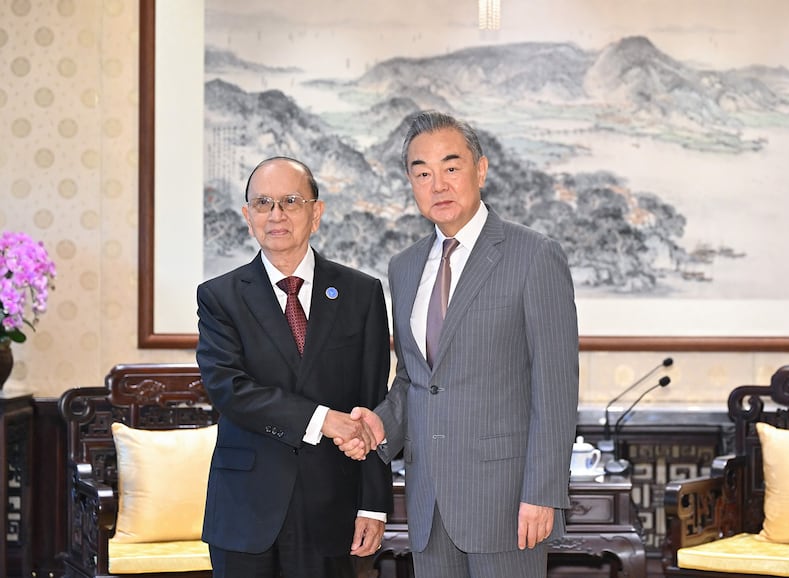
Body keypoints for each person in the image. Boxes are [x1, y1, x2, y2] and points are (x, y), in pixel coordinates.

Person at [338, 111, 580, 578]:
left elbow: (555, 388)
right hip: (428, 503)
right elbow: (415, 379)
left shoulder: (534, 255)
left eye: (451, 167)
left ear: (480, 170)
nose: (439, 185)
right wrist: (381, 424)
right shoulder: (404, 267)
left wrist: (543, 494)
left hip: (508, 505)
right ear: (411, 183)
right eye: (423, 173)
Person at [196, 156, 393, 578]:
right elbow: (230, 389)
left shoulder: (361, 293)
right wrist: (322, 419)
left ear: (316, 213)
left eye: (290, 201)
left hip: (332, 508)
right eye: (263, 203)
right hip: (245, 509)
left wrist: (374, 505)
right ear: (248, 216)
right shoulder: (219, 297)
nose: (276, 215)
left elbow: (373, 405)